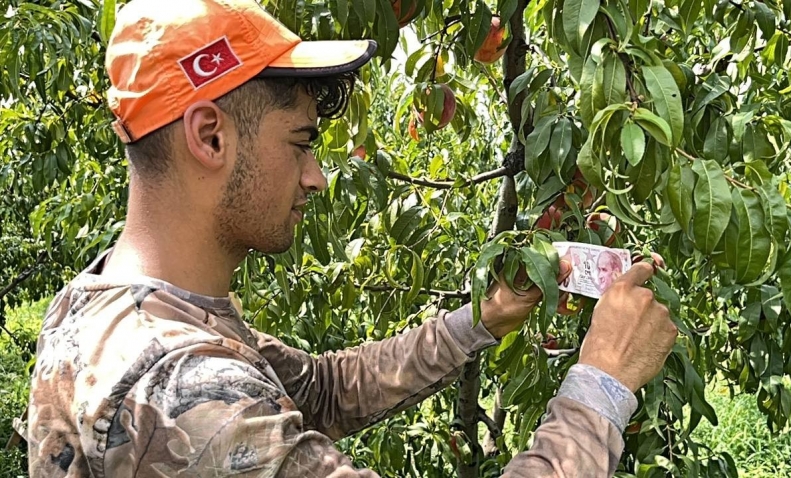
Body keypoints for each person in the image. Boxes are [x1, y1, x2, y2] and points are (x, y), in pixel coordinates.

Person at [26, 0, 679, 476]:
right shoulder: (187, 399)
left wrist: (482, 319)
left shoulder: (110, 304)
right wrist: (603, 382)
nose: (315, 177)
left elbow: (324, 391)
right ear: (209, 136)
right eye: (301, 143)